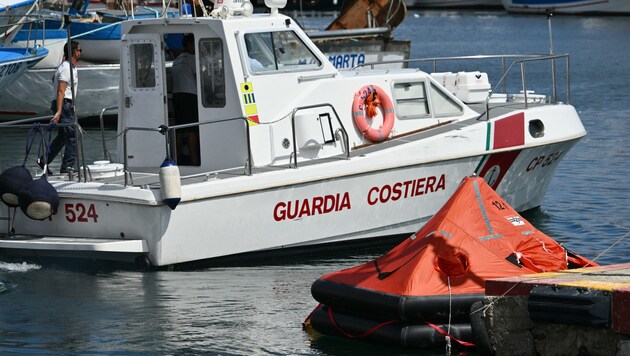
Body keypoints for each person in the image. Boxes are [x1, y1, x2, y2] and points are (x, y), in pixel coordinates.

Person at [40, 41, 81, 174]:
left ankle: (44, 160)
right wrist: (58, 111)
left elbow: (54, 79)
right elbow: (60, 91)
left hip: (65, 103)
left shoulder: (67, 67)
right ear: (74, 52)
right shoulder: (66, 68)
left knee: (64, 136)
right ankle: (67, 167)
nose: (81, 52)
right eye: (80, 50)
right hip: (64, 104)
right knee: (73, 135)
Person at [171, 33, 200, 166]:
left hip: (177, 97)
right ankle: (194, 160)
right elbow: (200, 76)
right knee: (193, 129)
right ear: (189, 44)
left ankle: (176, 159)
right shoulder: (192, 59)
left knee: (180, 130)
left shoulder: (176, 61)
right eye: (195, 43)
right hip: (190, 96)